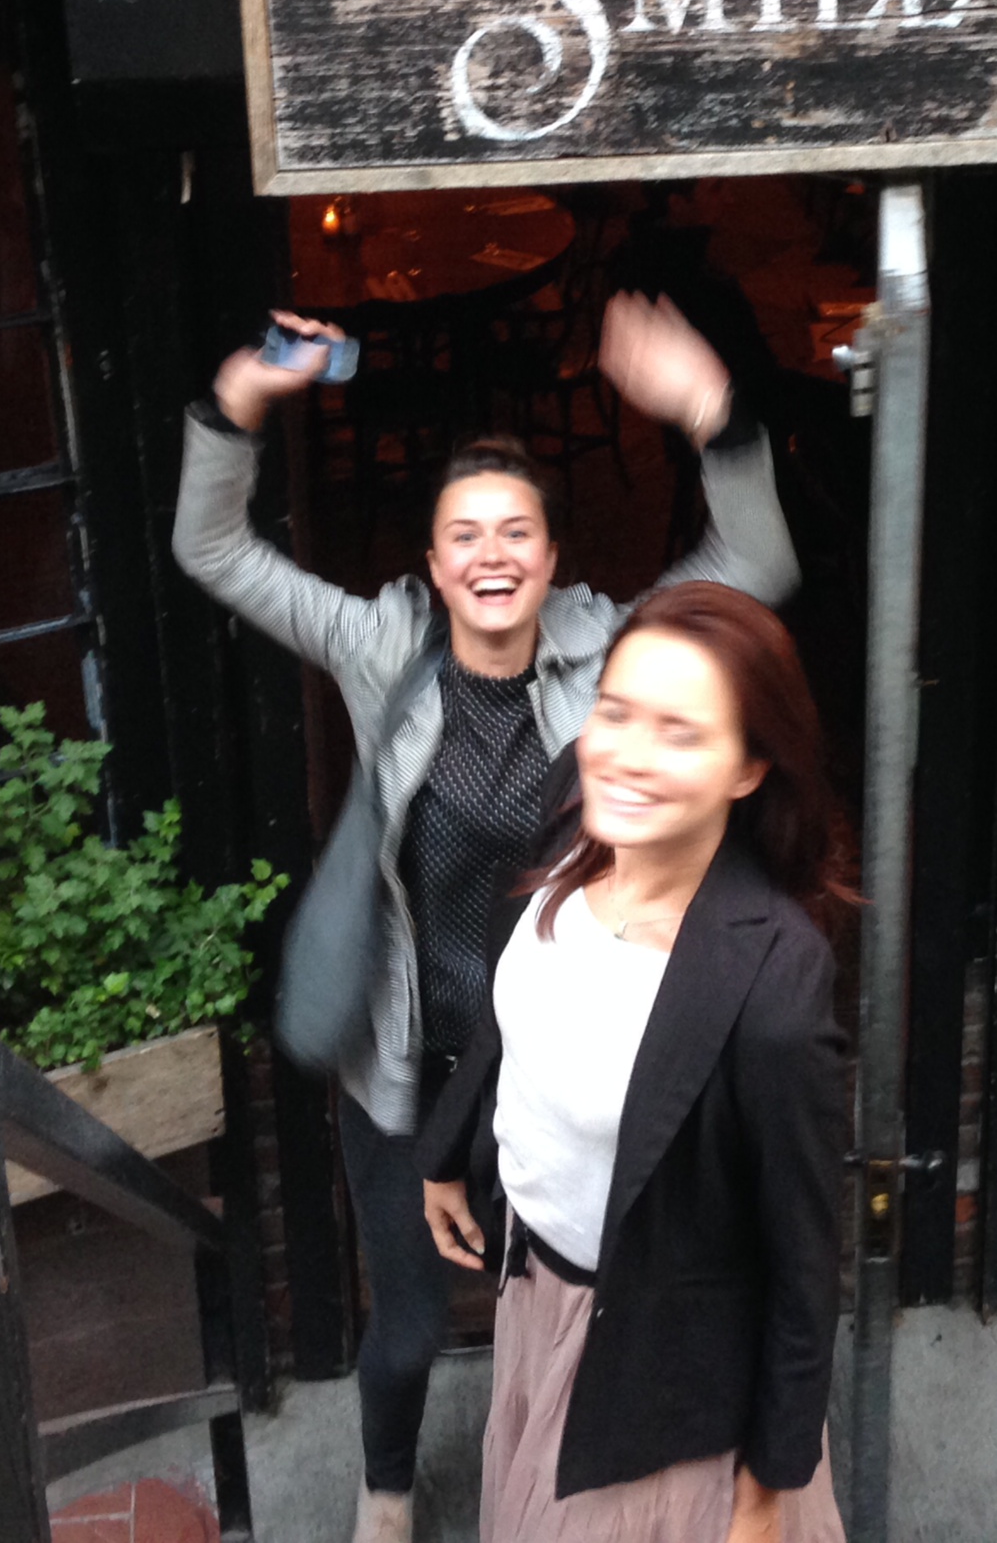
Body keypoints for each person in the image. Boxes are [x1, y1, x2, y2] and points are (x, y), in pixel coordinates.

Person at [170, 294, 799, 1543]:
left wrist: (708, 410)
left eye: (518, 531)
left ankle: (548, 1485)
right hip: (408, 1062)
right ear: (434, 559)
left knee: (564, 1303)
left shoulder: (614, 652)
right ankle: (387, 1494)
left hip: (555, 1061)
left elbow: (757, 567)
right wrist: (239, 402)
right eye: (466, 535)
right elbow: (214, 550)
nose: (492, 554)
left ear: (553, 558)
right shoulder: (379, 644)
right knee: (408, 1328)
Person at [418, 581, 850, 1543]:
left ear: (750, 769)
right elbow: (518, 1015)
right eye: (615, 711)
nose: (626, 755)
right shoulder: (578, 812)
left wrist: (762, 1498)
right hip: (533, 1295)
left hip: (654, 1365)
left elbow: (804, 1264)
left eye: (680, 733)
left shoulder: (770, 988)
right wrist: (447, 1151)